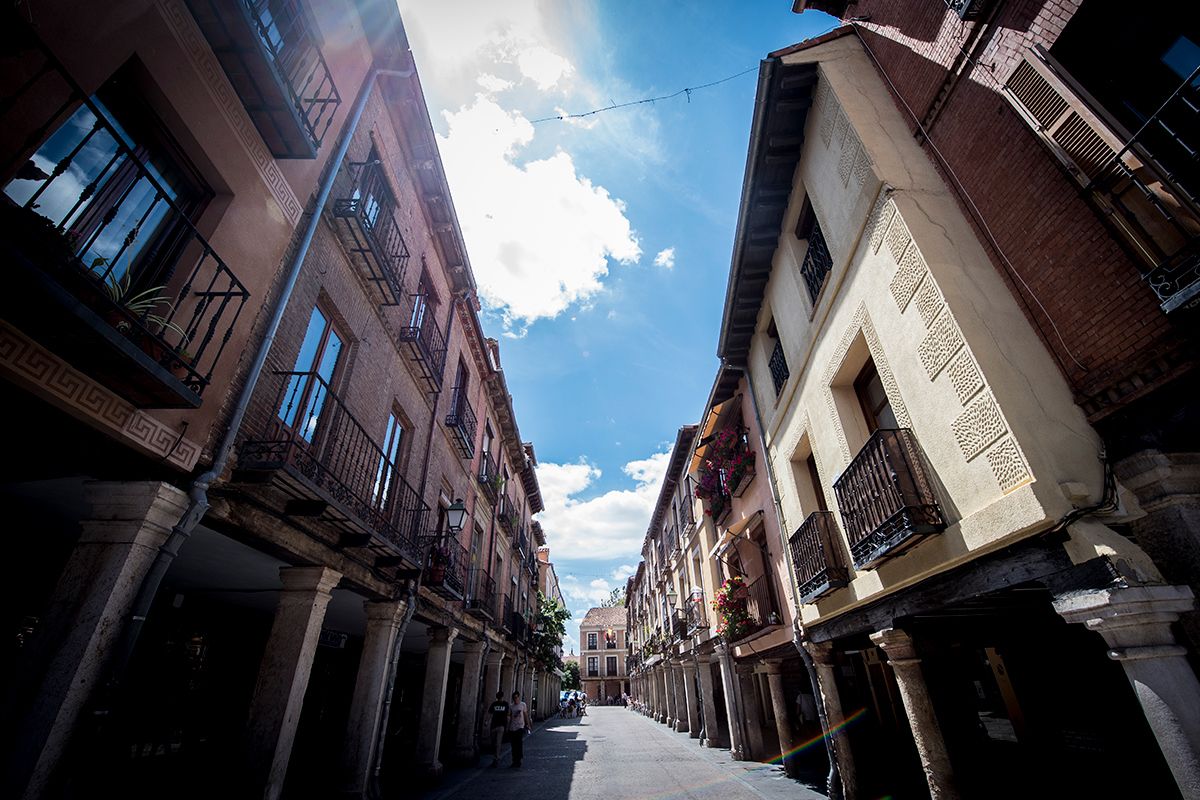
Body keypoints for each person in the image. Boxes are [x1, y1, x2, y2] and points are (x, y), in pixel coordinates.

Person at [507, 690, 531, 768]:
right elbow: (509, 717)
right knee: (513, 745)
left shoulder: (523, 705)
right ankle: (514, 760)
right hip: (512, 727)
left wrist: (528, 724)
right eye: (514, 698)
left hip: (520, 727)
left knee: (519, 744)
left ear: (519, 697)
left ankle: (519, 759)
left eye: (516, 698)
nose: (515, 699)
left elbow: (525, 715)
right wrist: (508, 726)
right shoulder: (511, 706)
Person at [488, 691, 510, 767]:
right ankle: (495, 757)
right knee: (494, 743)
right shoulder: (494, 704)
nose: (500, 698)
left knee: (498, 743)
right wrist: (487, 722)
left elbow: (508, 715)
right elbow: (490, 714)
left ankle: (496, 759)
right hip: (494, 726)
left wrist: (507, 726)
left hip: (500, 726)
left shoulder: (505, 704)